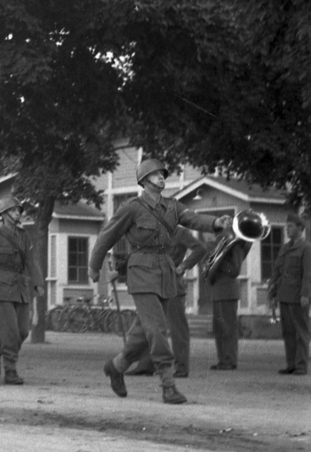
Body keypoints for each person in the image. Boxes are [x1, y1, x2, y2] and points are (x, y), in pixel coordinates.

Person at [89, 157, 228, 404]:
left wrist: (215, 222)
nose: (162, 177)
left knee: (144, 332)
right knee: (157, 329)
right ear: (144, 181)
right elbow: (107, 236)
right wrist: (94, 266)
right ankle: (168, 384)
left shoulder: (173, 206)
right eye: (156, 174)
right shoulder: (132, 208)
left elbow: (193, 219)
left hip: (165, 273)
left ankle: (116, 366)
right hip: (141, 272)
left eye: (163, 174)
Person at [0, 197, 44, 386]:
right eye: (14, 210)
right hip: (1, 286)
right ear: (4, 214)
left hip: (20, 286)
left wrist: (38, 283)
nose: (17, 214)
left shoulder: (24, 236)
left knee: (22, 331)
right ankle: (10, 369)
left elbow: (31, 261)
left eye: (18, 211)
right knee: (10, 331)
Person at [124, 225, 205, 378]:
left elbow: (200, 249)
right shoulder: (153, 231)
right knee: (150, 325)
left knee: (177, 328)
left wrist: (183, 266)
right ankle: (146, 365)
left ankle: (181, 367)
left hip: (173, 286)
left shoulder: (181, 232)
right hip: (152, 283)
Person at [268, 214, 311, 375]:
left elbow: (308, 274)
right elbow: (277, 271)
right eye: (286, 227)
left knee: (301, 332)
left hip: (298, 297)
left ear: (300, 228)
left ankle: (301, 366)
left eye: (291, 226)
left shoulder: (306, 248)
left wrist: (305, 294)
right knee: (288, 332)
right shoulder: (285, 248)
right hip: (284, 294)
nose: (287, 229)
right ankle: (291, 364)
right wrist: (272, 291)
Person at [209, 228, 250, 371]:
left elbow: (235, 270)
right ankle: (222, 360)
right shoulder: (218, 247)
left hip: (228, 291)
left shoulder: (235, 246)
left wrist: (218, 262)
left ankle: (230, 361)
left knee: (228, 328)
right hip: (217, 291)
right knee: (219, 329)